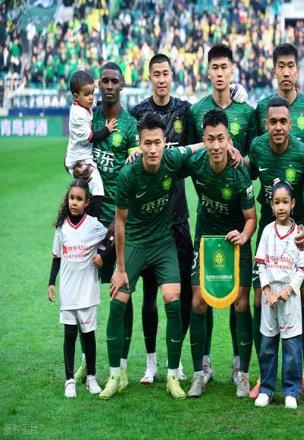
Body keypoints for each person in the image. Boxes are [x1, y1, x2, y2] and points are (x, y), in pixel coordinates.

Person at [98, 112, 204, 400]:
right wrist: (120, 268)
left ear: (164, 142)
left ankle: (172, 376)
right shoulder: (128, 174)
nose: (153, 149)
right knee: (118, 302)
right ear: (140, 145)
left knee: (173, 300)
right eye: (148, 143)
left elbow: (193, 147)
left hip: (162, 243)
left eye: (158, 142)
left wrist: (218, 143)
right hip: (135, 243)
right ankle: (115, 376)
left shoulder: (171, 159)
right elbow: (120, 223)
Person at [187, 43, 258, 383]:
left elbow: (256, 158)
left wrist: (241, 159)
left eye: (224, 67)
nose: (219, 73)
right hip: (206, 222)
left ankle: (238, 366)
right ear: (208, 71)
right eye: (214, 67)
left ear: (232, 70)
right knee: (200, 298)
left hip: (239, 214)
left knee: (239, 299)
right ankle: (202, 366)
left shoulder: (247, 111)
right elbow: (187, 154)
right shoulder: (196, 110)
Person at [247, 97, 304, 401]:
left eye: (283, 122)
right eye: (273, 122)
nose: (278, 127)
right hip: (268, 235)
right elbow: (248, 174)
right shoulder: (257, 147)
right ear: (266, 124)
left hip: (297, 237)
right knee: (259, 300)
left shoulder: (302, 154)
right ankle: (263, 376)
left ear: (290, 124)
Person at [74, 62, 139, 392]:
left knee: (120, 294)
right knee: (83, 296)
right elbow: (77, 154)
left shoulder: (129, 124)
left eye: (115, 81)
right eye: (105, 81)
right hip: (89, 218)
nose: (109, 86)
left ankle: (122, 366)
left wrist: (118, 222)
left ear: (122, 85)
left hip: (117, 220)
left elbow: (133, 175)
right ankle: (88, 361)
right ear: (99, 84)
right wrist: (77, 171)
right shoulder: (90, 115)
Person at [130, 53, 194, 384]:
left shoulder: (184, 110)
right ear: (150, 77)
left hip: (178, 218)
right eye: (156, 74)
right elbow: (121, 146)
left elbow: (211, 129)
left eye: (166, 73)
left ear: (172, 75)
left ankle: (175, 359)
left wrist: (236, 93)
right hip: (148, 220)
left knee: (182, 293)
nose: (161, 79)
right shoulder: (137, 113)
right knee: (150, 295)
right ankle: (151, 362)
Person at [48, 179, 108, 398]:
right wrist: (51, 283)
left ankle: (91, 377)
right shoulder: (61, 227)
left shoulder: (93, 225)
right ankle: (69, 380)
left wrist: (103, 257)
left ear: (87, 202)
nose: (74, 202)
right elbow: (56, 257)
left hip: (88, 292)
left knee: (89, 335)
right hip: (68, 292)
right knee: (70, 335)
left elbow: (111, 239)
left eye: (79, 199)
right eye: (71, 198)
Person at [254, 181, 304, 410]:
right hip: (270, 297)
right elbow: (261, 264)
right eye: (277, 202)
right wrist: (267, 291)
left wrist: (288, 290)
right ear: (272, 205)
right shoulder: (267, 231)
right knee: (267, 344)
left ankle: (291, 391)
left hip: (289, 296)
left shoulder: (299, 233)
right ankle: (266, 389)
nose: (281, 206)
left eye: (285, 202)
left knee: (292, 345)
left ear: (293, 203)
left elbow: (302, 268)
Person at [64, 70, 117, 215]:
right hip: (80, 160)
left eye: (92, 93)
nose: (91, 97)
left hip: (79, 155)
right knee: (98, 190)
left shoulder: (82, 105)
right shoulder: (78, 114)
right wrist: (107, 129)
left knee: (85, 192)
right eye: (87, 94)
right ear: (76, 96)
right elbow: (91, 137)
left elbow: (94, 107)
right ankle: (92, 220)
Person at [255, 43, 304, 148]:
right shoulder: (262, 107)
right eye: (281, 66)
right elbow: (253, 147)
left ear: (297, 71)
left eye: (291, 66)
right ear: (274, 71)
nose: (286, 73)